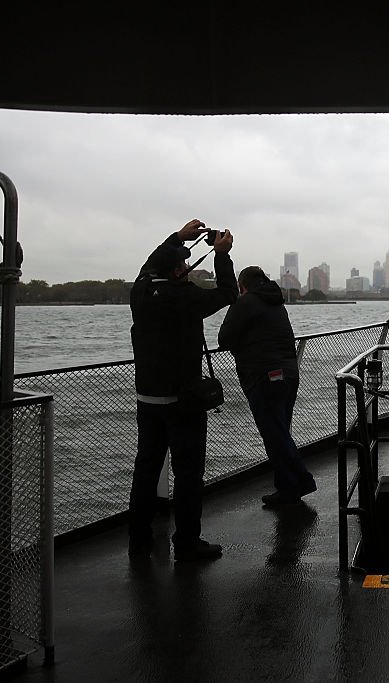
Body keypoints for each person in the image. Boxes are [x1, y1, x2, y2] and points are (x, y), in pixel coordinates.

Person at [128, 220, 238, 562]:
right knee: (188, 474)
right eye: (184, 265)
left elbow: (151, 264)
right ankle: (187, 543)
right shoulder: (185, 296)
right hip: (183, 401)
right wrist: (221, 256)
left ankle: (139, 541)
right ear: (179, 270)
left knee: (146, 470)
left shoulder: (141, 291)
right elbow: (228, 294)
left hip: (147, 398)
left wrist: (177, 237)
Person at [218, 266, 317, 507]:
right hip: (289, 373)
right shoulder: (277, 303)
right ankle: (286, 487)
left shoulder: (245, 303)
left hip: (264, 375)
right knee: (280, 430)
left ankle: (301, 480)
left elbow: (224, 339)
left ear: (242, 286)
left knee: (273, 433)